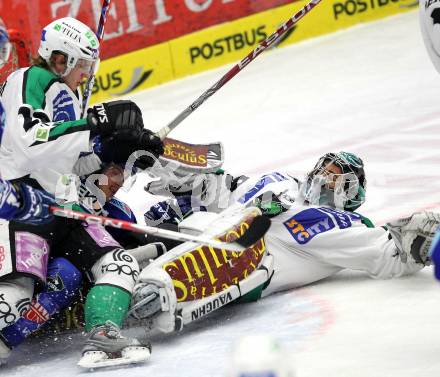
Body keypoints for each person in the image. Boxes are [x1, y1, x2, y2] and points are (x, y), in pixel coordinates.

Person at [0, 16, 163, 366]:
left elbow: (71, 165)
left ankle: (103, 336)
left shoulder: (68, 95)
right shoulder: (29, 80)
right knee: (14, 299)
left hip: (63, 207)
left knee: (119, 264)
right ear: (60, 60)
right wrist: (92, 124)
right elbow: (31, 142)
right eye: (83, 65)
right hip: (21, 207)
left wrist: (120, 151)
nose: (87, 75)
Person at [128, 151, 436, 335]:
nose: (325, 177)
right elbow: (226, 190)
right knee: (128, 252)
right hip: (197, 235)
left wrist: (422, 241)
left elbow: (388, 253)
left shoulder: (338, 223)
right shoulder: (277, 180)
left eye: (337, 177)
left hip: (243, 265)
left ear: (351, 192)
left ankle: (151, 294)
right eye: (325, 169)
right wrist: (192, 186)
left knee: (242, 240)